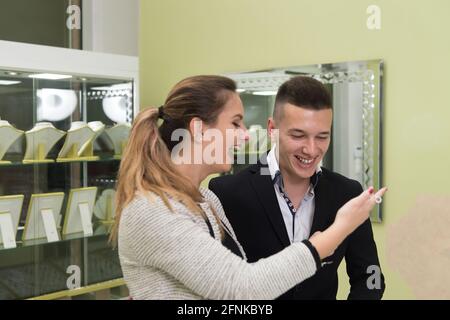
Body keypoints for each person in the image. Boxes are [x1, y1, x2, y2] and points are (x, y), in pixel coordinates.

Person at [110, 75, 386, 300]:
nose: (244, 135)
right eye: (235, 123)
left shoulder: (206, 200)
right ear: (199, 129)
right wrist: (336, 232)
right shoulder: (153, 211)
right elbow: (242, 288)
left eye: (321, 136)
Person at [209, 76, 386, 300]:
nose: (311, 150)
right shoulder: (226, 193)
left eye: (322, 136)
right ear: (272, 129)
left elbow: (371, 277)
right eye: (298, 135)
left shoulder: (347, 192)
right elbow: (222, 287)